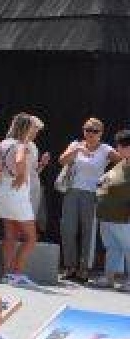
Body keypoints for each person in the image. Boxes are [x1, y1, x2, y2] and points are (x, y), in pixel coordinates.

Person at [58, 118, 118, 283]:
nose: (90, 134)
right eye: (87, 130)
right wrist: (76, 150)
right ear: (83, 130)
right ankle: (70, 267)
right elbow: (62, 161)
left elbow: (123, 162)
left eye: (94, 131)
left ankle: (84, 269)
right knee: (67, 230)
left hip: (93, 194)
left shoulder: (106, 149)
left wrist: (109, 178)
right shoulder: (75, 145)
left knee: (88, 232)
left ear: (101, 133)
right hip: (72, 191)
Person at [0, 113, 43, 286]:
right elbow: (20, 159)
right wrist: (21, 175)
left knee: (10, 236)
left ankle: (7, 274)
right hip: (18, 194)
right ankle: (17, 274)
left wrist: (8, 177)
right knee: (31, 238)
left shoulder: (3, 144)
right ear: (25, 128)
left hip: (5, 193)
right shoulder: (21, 145)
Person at [92, 131, 130, 291]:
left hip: (124, 217)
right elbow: (103, 184)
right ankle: (109, 278)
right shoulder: (121, 164)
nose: (117, 149)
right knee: (112, 247)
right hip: (107, 215)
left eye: (120, 146)